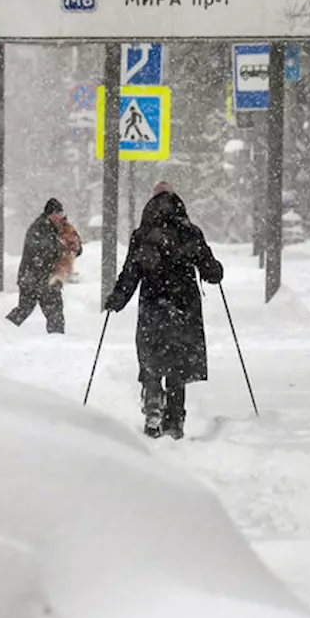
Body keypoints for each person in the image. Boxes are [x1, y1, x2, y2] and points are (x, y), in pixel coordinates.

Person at [103, 185, 223, 440]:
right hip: (184, 307)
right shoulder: (191, 232)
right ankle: (174, 421)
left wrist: (117, 299)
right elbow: (210, 270)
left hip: (153, 305)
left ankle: (153, 406)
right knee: (178, 364)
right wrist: (215, 270)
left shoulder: (143, 235)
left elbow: (130, 274)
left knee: (152, 358)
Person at [8, 198, 77, 334]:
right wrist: (61, 246)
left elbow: (73, 245)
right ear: (50, 214)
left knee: (27, 309)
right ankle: (56, 339)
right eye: (58, 214)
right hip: (37, 278)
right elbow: (43, 249)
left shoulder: (52, 227)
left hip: (37, 277)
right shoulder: (40, 227)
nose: (60, 217)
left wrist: (71, 246)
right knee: (50, 311)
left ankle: (1, 329)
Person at [48, 215, 83, 287]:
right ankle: (62, 277)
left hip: (65, 255)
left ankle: (62, 277)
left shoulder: (68, 229)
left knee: (65, 261)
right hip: (60, 256)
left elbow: (73, 242)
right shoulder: (58, 229)